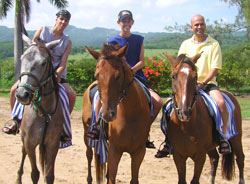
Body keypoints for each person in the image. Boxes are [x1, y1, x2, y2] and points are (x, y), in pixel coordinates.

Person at [155, 14, 231, 158]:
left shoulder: (214, 44)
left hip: (207, 84)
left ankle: (223, 137)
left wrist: (203, 82)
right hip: (187, 85)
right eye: (196, 25)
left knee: (220, 103)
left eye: (201, 24)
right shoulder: (185, 44)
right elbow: (178, 66)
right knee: (167, 107)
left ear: (205, 25)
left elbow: (215, 68)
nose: (199, 27)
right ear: (191, 27)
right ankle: (168, 141)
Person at [87, 10, 163, 148]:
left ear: (132, 22)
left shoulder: (139, 39)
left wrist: (131, 71)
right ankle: (98, 124)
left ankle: (145, 131)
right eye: (124, 21)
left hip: (136, 76)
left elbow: (142, 61)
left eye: (129, 21)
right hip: (117, 78)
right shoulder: (112, 41)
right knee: (101, 97)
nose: (126, 23)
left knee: (157, 101)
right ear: (119, 23)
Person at [2, 10, 77, 138]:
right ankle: (15, 120)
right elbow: (32, 51)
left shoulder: (67, 41)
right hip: (37, 73)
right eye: (61, 19)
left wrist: (56, 75)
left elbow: (63, 63)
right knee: (14, 89)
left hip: (55, 75)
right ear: (56, 19)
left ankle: (62, 125)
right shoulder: (43, 31)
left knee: (71, 95)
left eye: (66, 20)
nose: (63, 22)